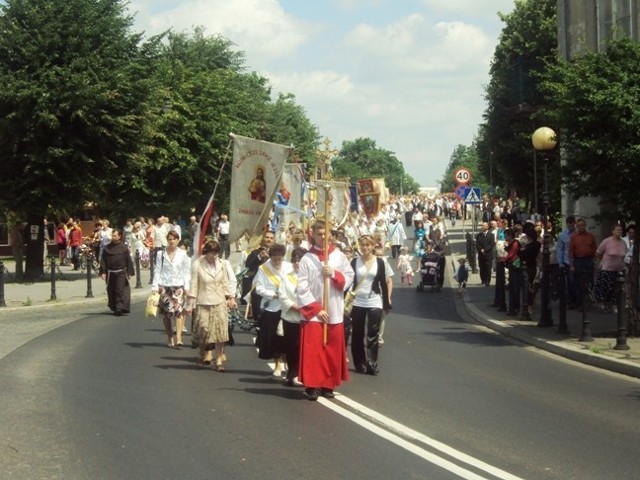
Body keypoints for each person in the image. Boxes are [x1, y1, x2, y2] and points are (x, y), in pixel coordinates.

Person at [297, 220, 354, 401]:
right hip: (315, 313)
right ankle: (312, 385)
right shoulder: (307, 259)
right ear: (312, 234)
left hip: (334, 309)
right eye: (319, 234)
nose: (323, 237)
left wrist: (334, 274)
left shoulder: (338, 256)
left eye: (325, 233)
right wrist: (316, 309)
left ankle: (328, 384)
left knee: (331, 349)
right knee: (314, 350)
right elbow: (301, 287)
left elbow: (350, 277)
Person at [188, 240, 236, 371]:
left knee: (220, 332)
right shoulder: (198, 264)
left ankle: (219, 360)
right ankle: (201, 354)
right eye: (211, 253)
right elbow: (194, 284)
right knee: (204, 330)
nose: (214, 256)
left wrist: (230, 298)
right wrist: (190, 303)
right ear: (206, 252)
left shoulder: (222, 264)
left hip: (219, 302)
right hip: (203, 302)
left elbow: (225, 283)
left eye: (216, 253)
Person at [347, 235, 391, 376]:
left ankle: (372, 364)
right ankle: (360, 363)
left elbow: (383, 283)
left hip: (374, 300)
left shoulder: (380, 262)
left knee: (373, 334)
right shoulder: (354, 262)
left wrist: (386, 304)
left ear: (372, 246)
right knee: (358, 334)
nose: (365, 248)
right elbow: (348, 282)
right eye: (362, 245)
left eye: (367, 245)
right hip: (358, 301)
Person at [253, 243, 292, 377]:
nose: (277, 261)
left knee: (288, 337)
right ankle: (277, 363)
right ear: (270, 257)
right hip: (271, 307)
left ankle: (289, 362)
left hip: (287, 307)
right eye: (275, 258)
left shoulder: (289, 267)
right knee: (274, 337)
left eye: (280, 258)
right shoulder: (263, 269)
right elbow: (259, 288)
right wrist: (273, 295)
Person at [152, 230, 192, 348]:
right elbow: (157, 270)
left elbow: (186, 272)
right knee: (167, 314)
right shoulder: (161, 254)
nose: (172, 241)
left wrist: (187, 287)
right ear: (167, 240)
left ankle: (179, 337)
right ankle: (170, 337)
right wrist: (155, 286)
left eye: (174, 239)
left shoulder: (182, 254)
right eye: (169, 239)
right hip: (164, 286)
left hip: (178, 286)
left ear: (178, 240)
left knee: (178, 312)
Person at [280, 247, 306, 386]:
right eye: (295, 261)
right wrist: (294, 306)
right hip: (290, 316)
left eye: (300, 260)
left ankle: (302, 373)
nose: (297, 263)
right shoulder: (287, 276)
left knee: (303, 347)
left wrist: (305, 308)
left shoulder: (310, 276)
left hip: (306, 318)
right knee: (291, 347)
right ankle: (291, 373)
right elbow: (282, 295)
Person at [99, 228, 134, 316]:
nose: (113, 237)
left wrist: (129, 272)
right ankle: (114, 306)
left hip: (121, 272)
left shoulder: (124, 248)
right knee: (111, 290)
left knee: (120, 290)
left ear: (119, 236)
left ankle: (119, 307)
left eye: (115, 236)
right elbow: (103, 260)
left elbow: (128, 260)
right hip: (110, 273)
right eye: (112, 235)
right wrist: (103, 272)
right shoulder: (107, 248)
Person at [594, 225, 627, 313]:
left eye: (620, 230)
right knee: (606, 288)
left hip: (619, 269)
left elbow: (624, 254)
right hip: (607, 269)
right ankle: (603, 304)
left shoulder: (623, 242)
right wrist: (602, 261)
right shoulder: (607, 241)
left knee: (616, 289)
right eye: (617, 230)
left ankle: (614, 305)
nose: (619, 231)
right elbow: (598, 252)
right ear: (613, 231)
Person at [569, 218, 597, 311]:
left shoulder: (590, 236)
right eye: (579, 225)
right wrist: (571, 264)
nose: (581, 227)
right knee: (578, 282)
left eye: (582, 225)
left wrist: (594, 260)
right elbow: (571, 250)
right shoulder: (574, 237)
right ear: (576, 227)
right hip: (578, 260)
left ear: (585, 226)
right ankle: (579, 302)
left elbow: (594, 248)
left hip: (588, 260)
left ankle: (587, 301)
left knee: (589, 281)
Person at [476, 221, 495, 286]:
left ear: (487, 227)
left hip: (488, 255)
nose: (482, 227)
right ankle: (483, 280)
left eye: (483, 226)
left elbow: (491, 244)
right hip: (481, 255)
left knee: (488, 269)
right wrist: (481, 249)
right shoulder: (479, 235)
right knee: (482, 268)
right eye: (481, 226)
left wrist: (485, 249)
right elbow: (477, 244)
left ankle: (487, 281)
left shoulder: (491, 235)